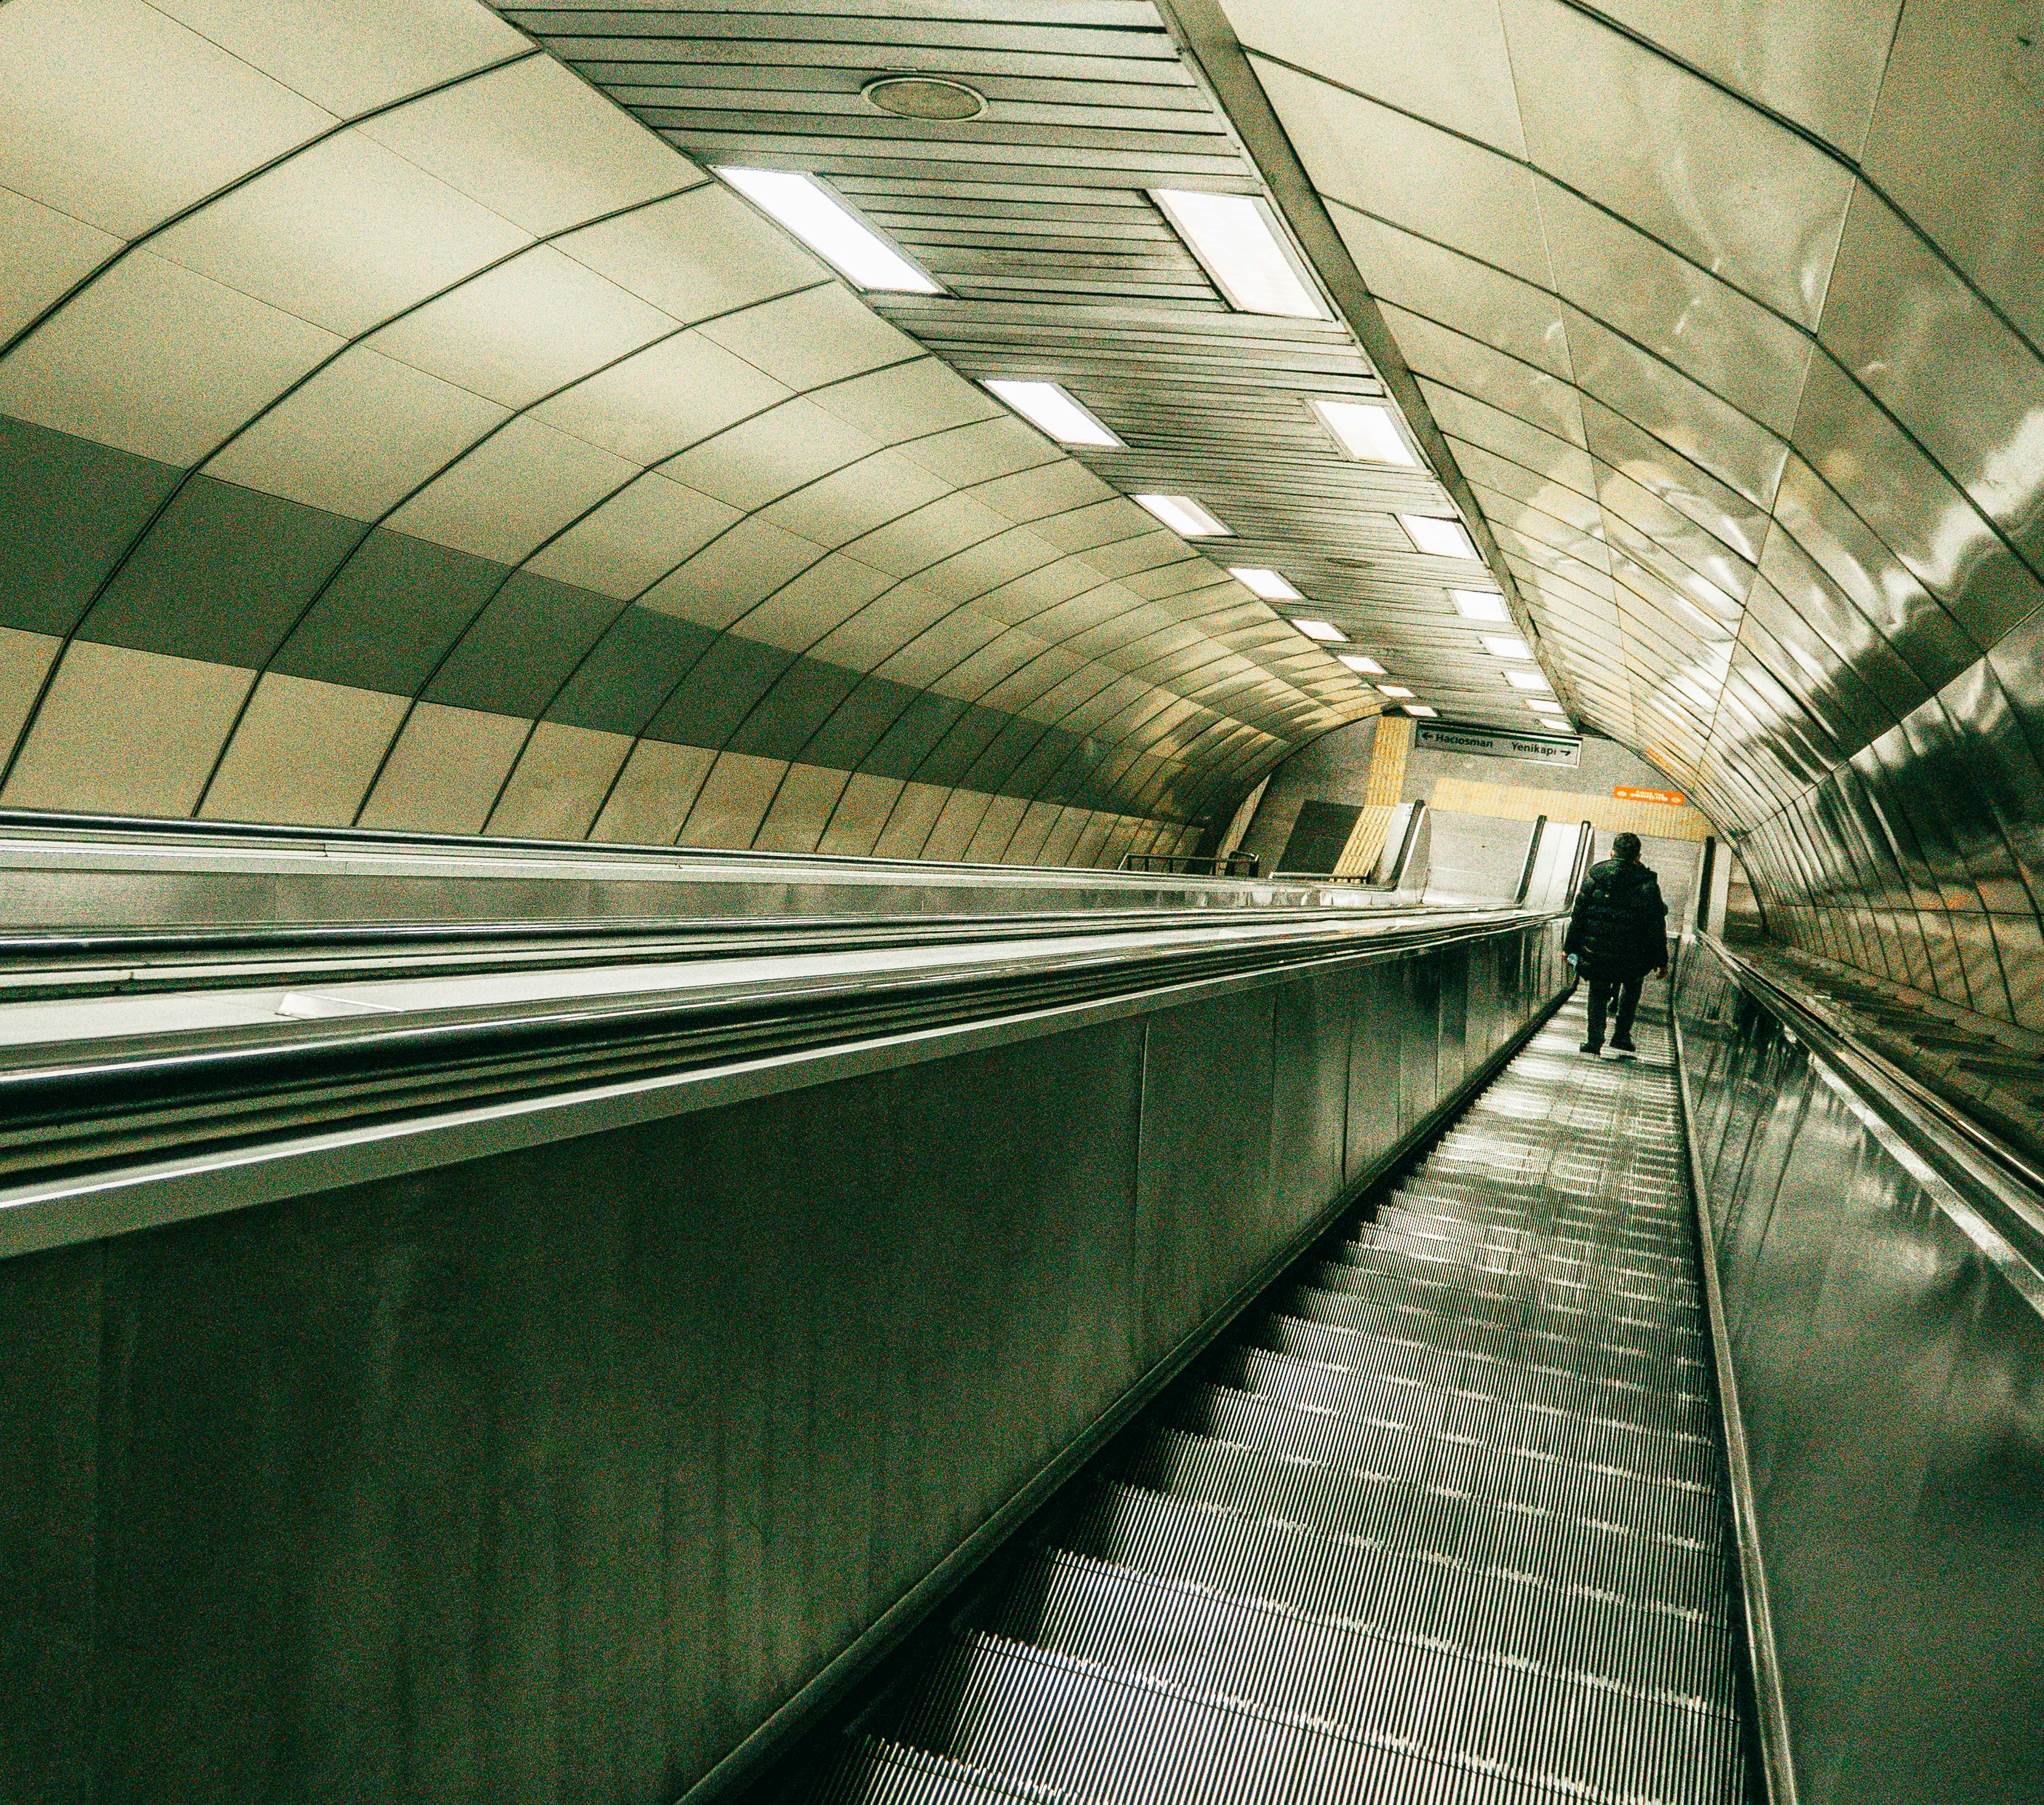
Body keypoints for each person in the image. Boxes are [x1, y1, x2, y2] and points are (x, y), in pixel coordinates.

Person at [1563, 831, 1669, 1055]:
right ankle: (1621, 1036)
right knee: (1631, 990)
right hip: (1633, 955)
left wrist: (1569, 947)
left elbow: (1579, 915)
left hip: (1597, 952)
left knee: (1598, 992)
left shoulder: (1594, 877)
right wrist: (1661, 960)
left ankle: (1594, 1042)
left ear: (1612, 853)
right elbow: (1656, 924)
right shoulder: (1648, 884)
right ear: (1638, 857)